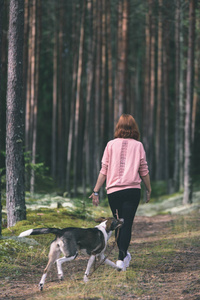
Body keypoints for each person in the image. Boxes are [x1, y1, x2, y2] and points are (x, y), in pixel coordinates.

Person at [89, 114, 151, 271]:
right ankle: (121, 259)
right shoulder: (138, 145)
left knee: (118, 224)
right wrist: (149, 189)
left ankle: (122, 257)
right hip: (132, 191)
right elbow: (143, 170)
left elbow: (104, 170)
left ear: (118, 127)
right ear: (134, 128)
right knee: (127, 224)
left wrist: (96, 191)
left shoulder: (110, 144)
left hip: (114, 192)